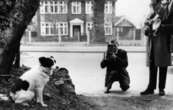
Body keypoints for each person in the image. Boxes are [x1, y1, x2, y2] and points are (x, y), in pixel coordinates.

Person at [141, 0, 173, 96]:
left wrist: (161, 27)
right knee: (152, 64)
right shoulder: (153, 9)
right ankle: (151, 87)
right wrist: (146, 28)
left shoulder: (166, 7)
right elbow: (147, 22)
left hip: (163, 40)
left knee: (162, 64)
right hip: (153, 40)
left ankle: (161, 88)